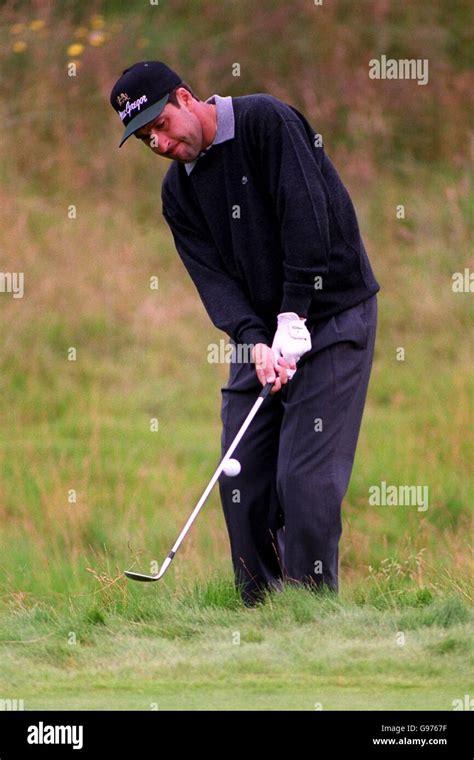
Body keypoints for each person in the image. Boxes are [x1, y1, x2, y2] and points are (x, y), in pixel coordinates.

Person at [110, 61, 380, 606]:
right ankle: (260, 617)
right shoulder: (177, 195)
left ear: (186, 98)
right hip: (261, 335)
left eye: (160, 125)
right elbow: (214, 282)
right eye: (145, 139)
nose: (158, 143)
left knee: (304, 484)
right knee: (240, 478)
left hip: (331, 316)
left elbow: (309, 217)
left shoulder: (264, 122)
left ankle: (309, 618)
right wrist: (255, 339)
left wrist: (294, 315)